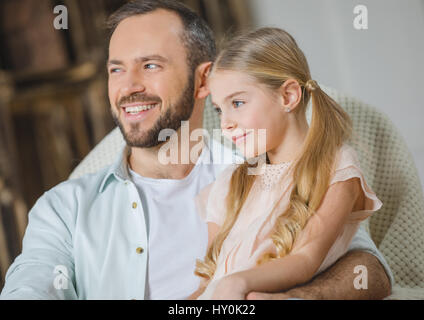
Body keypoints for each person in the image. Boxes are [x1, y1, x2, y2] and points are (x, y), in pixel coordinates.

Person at [0, 0, 392, 300]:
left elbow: (368, 268)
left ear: (204, 79)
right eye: (116, 68)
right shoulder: (64, 207)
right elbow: (31, 285)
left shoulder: (269, 167)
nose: (128, 86)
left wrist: (284, 297)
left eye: (150, 65)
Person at [188, 27, 388, 300]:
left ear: (288, 97)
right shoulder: (230, 182)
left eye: (237, 102)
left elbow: (306, 258)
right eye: (219, 109)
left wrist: (237, 283)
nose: (225, 124)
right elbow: (205, 284)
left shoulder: (336, 168)